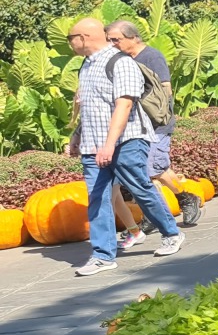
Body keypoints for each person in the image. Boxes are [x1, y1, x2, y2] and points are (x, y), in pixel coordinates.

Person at [66, 20, 184, 276]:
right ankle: (103, 255)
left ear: (83, 37)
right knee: (98, 197)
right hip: (93, 145)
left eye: (70, 38)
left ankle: (171, 233)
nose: (69, 43)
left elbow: (125, 105)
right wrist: (77, 135)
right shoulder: (86, 65)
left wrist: (110, 145)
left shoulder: (121, 63)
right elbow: (91, 107)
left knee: (140, 188)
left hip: (126, 141)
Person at [105, 19, 200, 238]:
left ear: (133, 37)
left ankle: (184, 197)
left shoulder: (151, 56)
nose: (112, 44)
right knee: (147, 171)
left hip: (156, 123)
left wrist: (150, 108)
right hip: (135, 126)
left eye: (116, 40)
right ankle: (157, 213)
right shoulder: (120, 60)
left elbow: (165, 88)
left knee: (153, 169)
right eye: (109, 40)